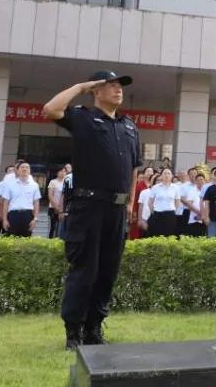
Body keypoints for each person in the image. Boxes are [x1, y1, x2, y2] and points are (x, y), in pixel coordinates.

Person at [42, 70, 141, 350]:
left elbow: (134, 168)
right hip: (88, 208)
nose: (118, 90)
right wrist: (80, 86)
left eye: (120, 86)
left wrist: (130, 203)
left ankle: (94, 328)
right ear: (96, 91)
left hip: (116, 211)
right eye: (110, 85)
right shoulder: (83, 118)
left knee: (108, 271)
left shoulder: (129, 126)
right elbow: (50, 109)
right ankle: (73, 331)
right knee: (85, 270)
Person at [0, 162, 41, 237]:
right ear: (17, 171)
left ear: (30, 171)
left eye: (27, 167)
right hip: (13, 215)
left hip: (28, 215)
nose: (25, 169)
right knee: (11, 239)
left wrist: (35, 219)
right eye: (22, 167)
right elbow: (5, 202)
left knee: (25, 239)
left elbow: (36, 203)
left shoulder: (35, 185)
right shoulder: (10, 185)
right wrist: (4, 219)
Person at [147, 169, 181, 237]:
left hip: (170, 215)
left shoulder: (175, 188)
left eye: (168, 173)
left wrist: (174, 211)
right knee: (157, 235)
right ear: (161, 176)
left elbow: (177, 202)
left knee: (170, 235)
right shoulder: (155, 187)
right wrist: (153, 212)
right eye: (165, 173)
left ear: (171, 176)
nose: (166, 175)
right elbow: (150, 202)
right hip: (158, 214)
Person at [129, 166, 154, 240]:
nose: (149, 173)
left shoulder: (154, 185)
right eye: (148, 171)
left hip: (150, 211)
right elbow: (134, 199)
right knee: (137, 232)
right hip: (139, 211)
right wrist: (134, 212)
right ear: (144, 174)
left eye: (151, 171)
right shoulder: (139, 185)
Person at [0, 164, 17, 236]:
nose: (12, 172)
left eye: (13, 171)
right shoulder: (2, 183)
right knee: (0, 232)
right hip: (2, 210)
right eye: (10, 171)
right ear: (6, 173)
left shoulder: (18, 183)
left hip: (12, 212)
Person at [201, 168, 216, 238]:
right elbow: (206, 204)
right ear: (214, 176)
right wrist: (206, 216)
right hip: (212, 218)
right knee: (211, 238)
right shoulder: (210, 188)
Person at [182, 171, 207, 237]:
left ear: (205, 181)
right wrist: (199, 212)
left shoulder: (208, 190)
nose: (200, 181)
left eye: (201, 179)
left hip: (206, 219)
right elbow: (189, 204)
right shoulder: (192, 191)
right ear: (195, 182)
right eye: (198, 180)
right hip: (195, 219)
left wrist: (204, 214)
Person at [48, 167, 67, 239]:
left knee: (62, 228)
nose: (62, 173)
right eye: (61, 171)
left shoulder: (67, 182)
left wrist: (62, 209)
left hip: (64, 209)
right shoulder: (53, 182)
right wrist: (57, 208)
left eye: (64, 171)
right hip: (53, 208)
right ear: (57, 173)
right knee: (53, 227)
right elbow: (50, 195)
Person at [136, 172, 157, 237]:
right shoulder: (144, 192)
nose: (157, 182)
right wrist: (140, 220)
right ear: (151, 181)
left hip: (159, 219)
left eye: (159, 180)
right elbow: (140, 207)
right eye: (155, 180)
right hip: (146, 219)